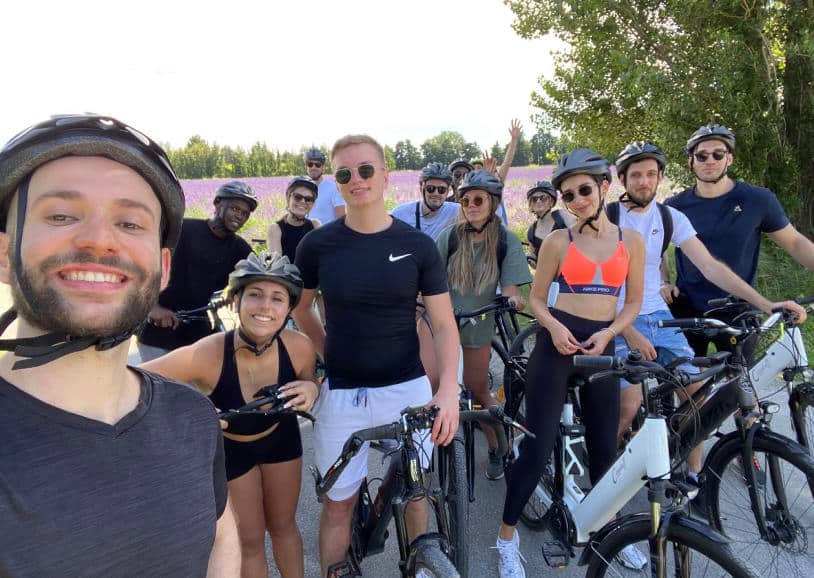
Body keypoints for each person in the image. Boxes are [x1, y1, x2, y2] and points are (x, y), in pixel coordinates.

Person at [0, 114, 238, 575]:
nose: (98, 240)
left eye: (130, 223)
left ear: (163, 268)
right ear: (4, 256)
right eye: (61, 215)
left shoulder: (192, 417)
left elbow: (222, 535)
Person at [292, 134, 460, 578]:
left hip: (407, 387)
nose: (357, 179)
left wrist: (448, 390)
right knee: (339, 505)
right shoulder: (317, 245)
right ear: (336, 182)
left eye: (366, 169)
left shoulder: (418, 245)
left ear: (385, 176)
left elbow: (444, 325)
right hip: (343, 393)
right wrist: (328, 350)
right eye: (345, 173)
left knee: (417, 493)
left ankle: (420, 568)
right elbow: (301, 308)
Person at [610, 141, 806, 490]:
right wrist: (627, 331)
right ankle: (605, 472)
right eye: (635, 175)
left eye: (651, 174)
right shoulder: (608, 219)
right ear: (622, 179)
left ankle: (692, 476)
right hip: (620, 317)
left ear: (660, 177)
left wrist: (765, 303)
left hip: (659, 317)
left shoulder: (670, 217)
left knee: (697, 395)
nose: (644, 182)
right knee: (629, 403)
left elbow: (710, 266)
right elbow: (594, 286)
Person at [495, 148, 645, 578]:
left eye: (584, 190)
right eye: (568, 195)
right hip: (557, 343)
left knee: (605, 449)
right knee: (538, 447)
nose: (577, 200)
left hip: (601, 346)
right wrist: (555, 328)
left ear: (604, 187)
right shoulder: (558, 241)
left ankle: (611, 530)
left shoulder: (630, 242)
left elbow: (632, 302)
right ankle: (506, 539)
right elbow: (538, 301)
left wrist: (611, 333)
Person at [143, 251, 319, 578]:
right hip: (231, 451)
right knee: (249, 541)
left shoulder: (299, 346)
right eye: (255, 294)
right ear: (236, 300)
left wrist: (312, 389)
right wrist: (191, 411)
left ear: (288, 308)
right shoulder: (207, 354)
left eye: (277, 298)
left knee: (283, 526)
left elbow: (311, 379)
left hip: (281, 440)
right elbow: (132, 378)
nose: (265, 306)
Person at [664, 124, 814, 359]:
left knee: (743, 379)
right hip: (686, 306)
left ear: (730, 159)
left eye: (718, 154)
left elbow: (794, 242)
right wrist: (663, 281)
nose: (710, 161)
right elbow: (656, 249)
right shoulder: (674, 206)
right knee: (685, 378)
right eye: (702, 156)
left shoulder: (757, 200)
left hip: (739, 306)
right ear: (690, 161)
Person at [435, 170, 532, 480]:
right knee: (434, 386)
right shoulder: (450, 237)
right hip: (442, 322)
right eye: (465, 200)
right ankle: (425, 454)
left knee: (477, 391)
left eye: (478, 200)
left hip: (479, 323)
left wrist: (513, 299)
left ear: (493, 203)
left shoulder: (505, 240)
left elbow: (511, 290)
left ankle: (497, 446)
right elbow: (429, 280)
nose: (471, 206)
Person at [136, 180, 255, 361]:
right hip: (158, 331)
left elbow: (259, 276)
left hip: (199, 333)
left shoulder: (240, 248)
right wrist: (152, 308)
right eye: (235, 209)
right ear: (217, 203)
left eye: (245, 213)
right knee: (158, 379)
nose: (240, 216)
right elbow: (139, 265)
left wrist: (237, 289)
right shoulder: (182, 230)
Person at [390, 161, 459, 241]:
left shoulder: (455, 211)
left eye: (441, 189)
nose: (436, 193)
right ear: (421, 189)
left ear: (447, 192)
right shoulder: (400, 214)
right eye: (430, 188)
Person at [267, 176, 321, 262]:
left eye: (308, 199)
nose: (303, 201)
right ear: (288, 198)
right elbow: (276, 262)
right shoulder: (276, 229)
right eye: (297, 197)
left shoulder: (315, 225)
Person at [525, 180, 573, 267]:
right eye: (534, 199)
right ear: (530, 204)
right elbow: (536, 264)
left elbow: (581, 238)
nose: (538, 201)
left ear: (551, 202)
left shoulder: (563, 216)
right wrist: (530, 261)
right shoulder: (531, 232)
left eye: (543, 198)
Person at [304, 147, 345, 225]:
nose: (313, 167)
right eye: (310, 164)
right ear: (306, 167)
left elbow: (341, 221)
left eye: (318, 165)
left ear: (323, 167)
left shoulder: (333, 189)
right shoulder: (303, 189)